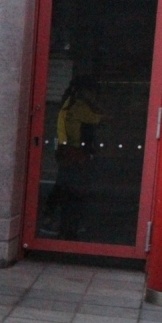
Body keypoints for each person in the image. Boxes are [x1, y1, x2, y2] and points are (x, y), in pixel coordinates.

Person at [46, 76, 105, 240]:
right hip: (75, 152)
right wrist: (94, 103)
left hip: (66, 150)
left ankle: (52, 219)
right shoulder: (79, 106)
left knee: (62, 186)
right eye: (91, 92)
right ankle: (67, 226)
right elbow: (100, 117)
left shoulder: (68, 102)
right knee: (73, 190)